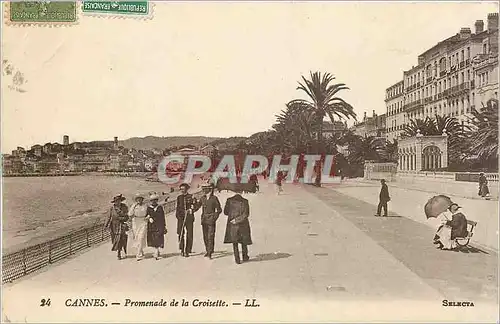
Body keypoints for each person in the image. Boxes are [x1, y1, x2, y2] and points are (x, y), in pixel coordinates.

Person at [223, 188, 252, 264]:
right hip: (243, 224)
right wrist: (238, 219)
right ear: (241, 191)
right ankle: (245, 256)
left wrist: (233, 217)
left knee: (235, 242)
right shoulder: (245, 201)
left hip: (232, 224)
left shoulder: (229, 200)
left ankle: (237, 259)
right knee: (243, 241)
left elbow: (225, 212)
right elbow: (246, 214)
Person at [194, 183, 222, 259]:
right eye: (203, 188)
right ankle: (208, 250)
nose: (203, 190)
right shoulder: (202, 198)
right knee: (205, 236)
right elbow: (197, 207)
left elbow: (219, 210)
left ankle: (210, 252)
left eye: (205, 188)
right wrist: (192, 207)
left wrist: (214, 217)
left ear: (209, 189)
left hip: (211, 220)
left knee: (210, 236)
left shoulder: (214, 198)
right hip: (204, 220)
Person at [105, 194, 129, 260]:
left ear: (120, 201)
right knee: (115, 239)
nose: (117, 202)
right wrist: (106, 225)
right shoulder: (112, 208)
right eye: (116, 201)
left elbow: (127, 216)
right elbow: (108, 217)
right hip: (114, 226)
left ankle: (119, 252)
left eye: (118, 201)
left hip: (121, 225)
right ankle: (119, 250)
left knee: (120, 238)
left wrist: (121, 218)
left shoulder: (124, 207)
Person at [176, 183, 195, 257]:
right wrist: (178, 216)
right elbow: (177, 208)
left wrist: (192, 209)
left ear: (187, 189)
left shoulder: (191, 196)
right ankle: (182, 249)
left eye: (183, 189)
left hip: (189, 218)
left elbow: (195, 205)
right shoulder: (179, 197)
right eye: (181, 189)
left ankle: (187, 250)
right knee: (180, 233)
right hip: (181, 218)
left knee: (189, 234)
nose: (182, 190)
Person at [146, 193, 167, 260]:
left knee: (159, 238)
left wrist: (164, 226)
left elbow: (163, 217)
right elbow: (146, 215)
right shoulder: (149, 208)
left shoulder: (160, 207)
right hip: (152, 226)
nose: (154, 201)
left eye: (155, 200)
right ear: (151, 201)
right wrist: (149, 218)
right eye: (152, 200)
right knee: (153, 238)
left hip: (159, 225)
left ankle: (156, 252)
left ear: (157, 200)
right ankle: (156, 252)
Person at [128, 193, 148, 261]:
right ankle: (141, 251)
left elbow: (148, 213)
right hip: (136, 222)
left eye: (140, 199)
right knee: (137, 238)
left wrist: (148, 217)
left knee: (141, 237)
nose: (139, 200)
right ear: (136, 200)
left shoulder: (145, 206)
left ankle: (138, 255)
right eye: (138, 199)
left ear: (142, 199)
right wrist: (133, 206)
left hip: (143, 221)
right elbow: (130, 214)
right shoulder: (134, 206)